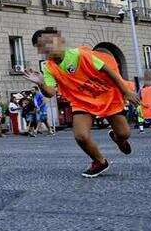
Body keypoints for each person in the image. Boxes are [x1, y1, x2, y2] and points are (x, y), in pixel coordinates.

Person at [23, 27, 140, 178]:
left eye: (49, 42)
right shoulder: (49, 68)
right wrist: (41, 84)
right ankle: (99, 161)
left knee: (124, 133)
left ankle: (119, 139)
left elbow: (108, 70)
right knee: (80, 136)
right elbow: (51, 93)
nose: (47, 48)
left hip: (105, 95)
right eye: (41, 46)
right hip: (82, 100)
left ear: (59, 41)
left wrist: (126, 91)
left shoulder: (81, 54)